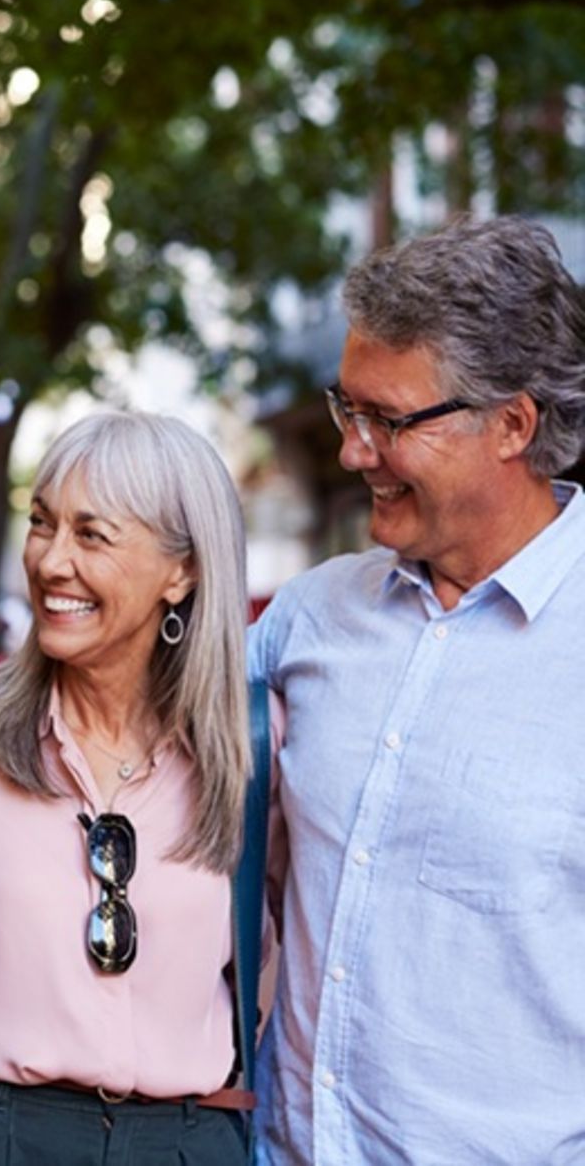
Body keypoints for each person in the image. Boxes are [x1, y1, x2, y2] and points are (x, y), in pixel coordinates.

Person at [250, 215, 585, 1164]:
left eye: (389, 421)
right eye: (346, 410)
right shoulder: (307, 618)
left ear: (513, 424)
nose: (354, 452)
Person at [0, 410, 258, 1165]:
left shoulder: (253, 749)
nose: (51, 561)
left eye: (92, 535)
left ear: (183, 571)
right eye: (42, 523)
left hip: (188, 1144)